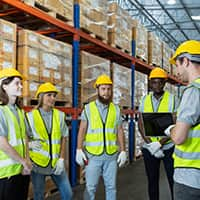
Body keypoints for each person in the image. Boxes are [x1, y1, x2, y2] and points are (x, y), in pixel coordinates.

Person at [76, 74, 127, 200]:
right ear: (97, 90)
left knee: (111, 187)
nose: (106, 92)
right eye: (103, 89)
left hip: (111, 156)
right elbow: (82, 129)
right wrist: (78, 149)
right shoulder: (88, 108)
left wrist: (123, 150)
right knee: (90, 188)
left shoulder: (116, 109)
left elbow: (119, 130)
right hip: (93, 156)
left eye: (109, 89)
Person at [164, 40, 200, 200]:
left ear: (185, 61)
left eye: (177, 65)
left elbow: (179, 137)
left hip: (189, 176)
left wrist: (170, 129)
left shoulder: (193, 91)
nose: (176, 71)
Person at [26, 82, 73, 200]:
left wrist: (62, 159)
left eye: (54, 95)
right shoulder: (30, 116)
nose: (53, 98)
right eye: (49, 95)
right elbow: (23, 138)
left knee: (68, 194)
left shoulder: (60, 115)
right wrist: (29, 144)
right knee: (38, 196)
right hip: (38, 164)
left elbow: (64, 137)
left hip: (55, 163)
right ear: (41, 97)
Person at [138, 67, 179, 200]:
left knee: (173, 181)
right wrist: (151, 145)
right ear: (150, 83)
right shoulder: (144, 100)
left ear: (164, 83)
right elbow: (140, 123)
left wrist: (160, 144)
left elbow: (176, 125)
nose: (157, 85)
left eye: (160, 82)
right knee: (152, 182)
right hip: (150, 149)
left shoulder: (173, 99)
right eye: (154, 82)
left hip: (168, 148)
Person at [0, 68, 32, 200]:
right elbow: (2, 143)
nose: (20, 86)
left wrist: (28, 161)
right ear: (4, 86)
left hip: (21, 170)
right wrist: (23, 161)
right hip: (6, 174)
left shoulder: (20, 111)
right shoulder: (1, 110)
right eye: (17, 83)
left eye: (21, 83)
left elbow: (24, 138)